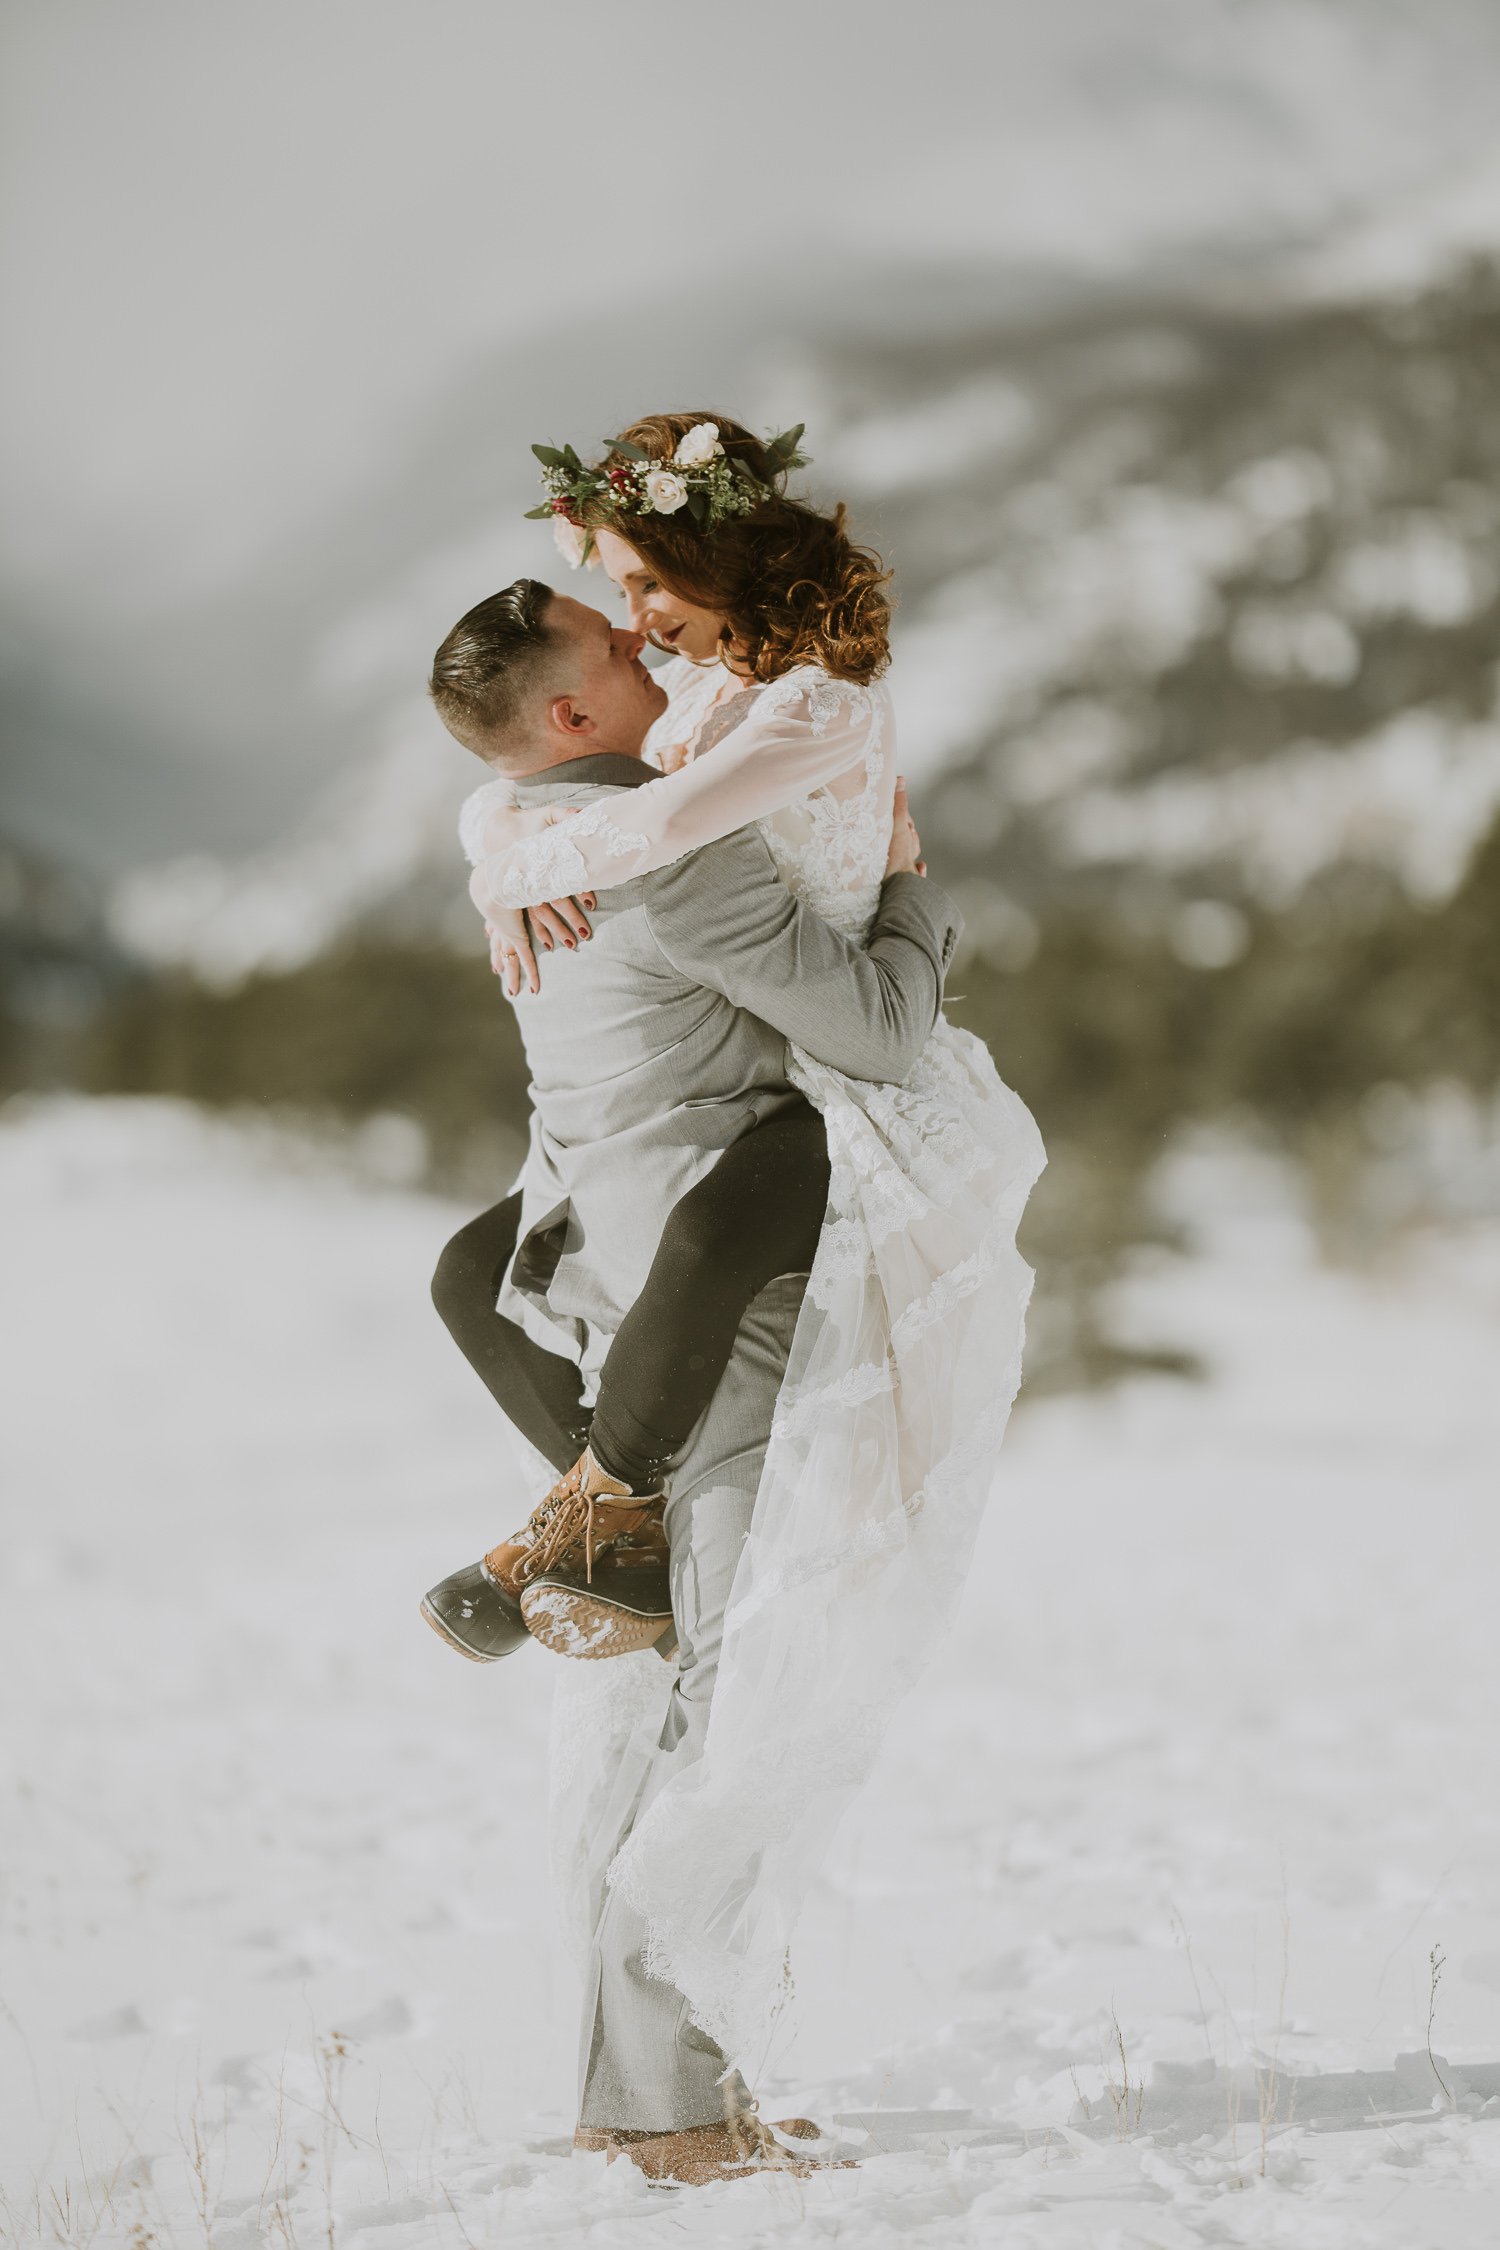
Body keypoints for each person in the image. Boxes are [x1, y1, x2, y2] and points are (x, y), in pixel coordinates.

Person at [442, 413, 1046, 2128]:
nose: (634, 622)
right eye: (616, 611)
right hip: (741, 1266)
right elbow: (858, 1012)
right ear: (570, 714)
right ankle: (667, 2114)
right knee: (724, 1689)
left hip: (628, 1243)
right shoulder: (681, 808)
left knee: (675, 1685)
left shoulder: (626, 784)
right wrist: (922, 903)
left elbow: (593, 816)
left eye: (638, 586)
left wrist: (511, 851)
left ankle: (592, 1502)